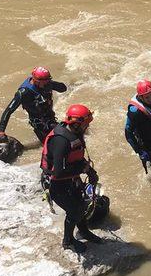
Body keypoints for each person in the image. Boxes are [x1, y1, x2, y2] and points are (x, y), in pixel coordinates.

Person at [40, 104, 104, 253]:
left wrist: (90, 172)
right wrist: (83, 169)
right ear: (76, 124)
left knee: (81, 205)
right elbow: (58, 172)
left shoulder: (74, 134)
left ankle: (84, 231)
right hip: (56, 184)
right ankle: (67, 241)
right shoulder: (61, 141)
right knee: (74, 210)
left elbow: (75, 158)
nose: (87, 127)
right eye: (86, 124)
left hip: (70, 179)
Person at [0, 67, 67, 143]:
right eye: (45, 82)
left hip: (50, 117)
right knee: (55, 143)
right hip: (39, 123)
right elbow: (8, 111)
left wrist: (52, 84)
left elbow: (63, 88)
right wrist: (1, 131)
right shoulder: (23, 93)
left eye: (48, 80)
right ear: (36, 81)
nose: (47, 83)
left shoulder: (47, 83)